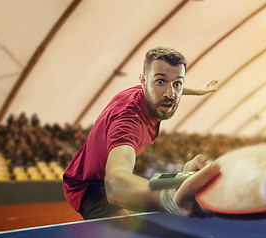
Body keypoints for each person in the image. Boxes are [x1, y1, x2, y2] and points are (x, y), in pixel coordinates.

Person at [63, 46, 220, 220]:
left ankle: (183, 176)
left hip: (109, 177)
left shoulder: (145, 93)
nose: (170, 94)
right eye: (160, 82)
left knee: (157, 188)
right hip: (90, 185)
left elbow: (170, 85)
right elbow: (114, 183)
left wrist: (197, 91)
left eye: (177, 83)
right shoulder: (128, 121)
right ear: (144, 81)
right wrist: (169, 200)